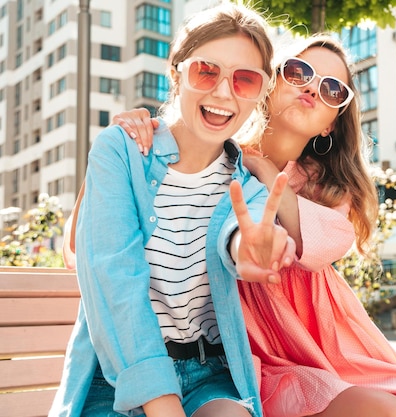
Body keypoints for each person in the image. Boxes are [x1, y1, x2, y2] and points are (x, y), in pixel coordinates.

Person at [66, 34, 396, 417]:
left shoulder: (325, 185)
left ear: (332, 121)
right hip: (245, 355)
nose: (313, 88)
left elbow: (326, 242)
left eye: (333, 89)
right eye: (299, 72)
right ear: (268, 84)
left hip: (318, 346)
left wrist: (265, 176)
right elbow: (88, 245)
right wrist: (121, 145)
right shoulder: (220, 155)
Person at [50, 4, 296, 417]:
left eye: (245, 79)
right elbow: (115, 282)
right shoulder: (120, 153)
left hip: (208, 374)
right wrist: (162, 403)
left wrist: (252, 249)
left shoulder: (248, 185)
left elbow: (240, 233)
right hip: (113, 378)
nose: (223, 92)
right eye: (206, 71)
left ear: (259, 93)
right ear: (176, 72)